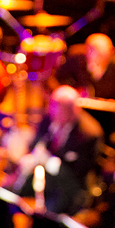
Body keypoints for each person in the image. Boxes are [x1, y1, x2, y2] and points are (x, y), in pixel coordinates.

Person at [13, 86, 103, 215]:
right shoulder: (49, 118)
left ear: (74, 110)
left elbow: (81, 171)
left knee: (49, 211)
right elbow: (35, 144)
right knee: (14, 194)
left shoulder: (89, 134)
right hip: (45, 177)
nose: (54, 112)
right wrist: (30, 156)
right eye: (52, 107)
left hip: (71, 185)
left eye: (59, 109)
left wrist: (50, 162)